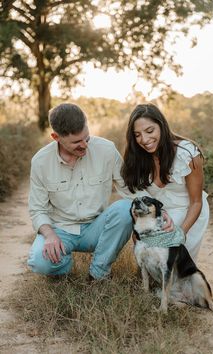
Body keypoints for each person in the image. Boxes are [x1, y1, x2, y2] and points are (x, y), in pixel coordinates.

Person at [27, 103, 134, 280]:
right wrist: (50, 235)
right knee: (39, 261)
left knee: (126, 209)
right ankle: (64, 265)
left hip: (97, 227)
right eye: (76, 142)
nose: (84, 145)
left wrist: (158, 214)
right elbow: (37, 209)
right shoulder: (40, 161)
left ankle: (98, 274)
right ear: (56, 137)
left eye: (87, 138)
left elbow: (130, 190)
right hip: (60, 229)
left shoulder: (106, 150)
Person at [121, 103, 209, 261]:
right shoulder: (138, 157)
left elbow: (196, 202)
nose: (145, 139)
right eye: (137, 134)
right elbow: (134, 193)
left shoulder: (186, 153)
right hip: (160, 212)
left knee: (177, 269)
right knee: (146, 249)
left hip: (189, 211)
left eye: (149, 131)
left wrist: (179, 234)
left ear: (161, 126)